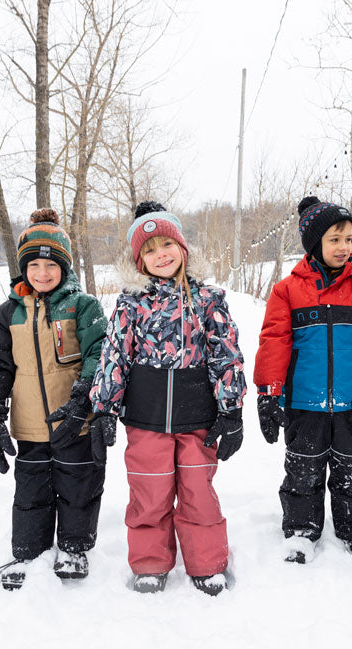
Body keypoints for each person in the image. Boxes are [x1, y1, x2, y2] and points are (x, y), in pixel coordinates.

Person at [90, 201, 246, 596]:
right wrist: (104, 407)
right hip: (147, 419)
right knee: (150, 495)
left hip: (198, 418)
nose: (161, 254)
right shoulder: (130, 302)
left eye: (167, 245)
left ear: (182, 248)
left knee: (198, 494)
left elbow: (226, 353)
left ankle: (207, 562)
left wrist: (231, 409)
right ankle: (149, 563)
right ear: (139, 260)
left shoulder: (208, 299)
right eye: (149, 248)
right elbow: (114, 356)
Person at [254, 196, 352, 567]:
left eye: (349, 239)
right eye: (334, 239)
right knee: (302, 470)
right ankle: (302, 532)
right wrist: (269, 393)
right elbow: (274, 341)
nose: (343, 247)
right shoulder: (287, 290)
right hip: (304, 401)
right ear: (315, 244)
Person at [0, 209, 108, 589]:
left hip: (75, 419)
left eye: (50, 265)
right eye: (33, 265)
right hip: (30, 423)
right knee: (31, 490)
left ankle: (74, 547)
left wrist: (84, 401)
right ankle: (28, 552)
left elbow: (98, 354)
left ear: (64, 267)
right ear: (23, 268)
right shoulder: (7, 314)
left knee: (77, 486)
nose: (42, 273)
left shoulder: (83, 306)